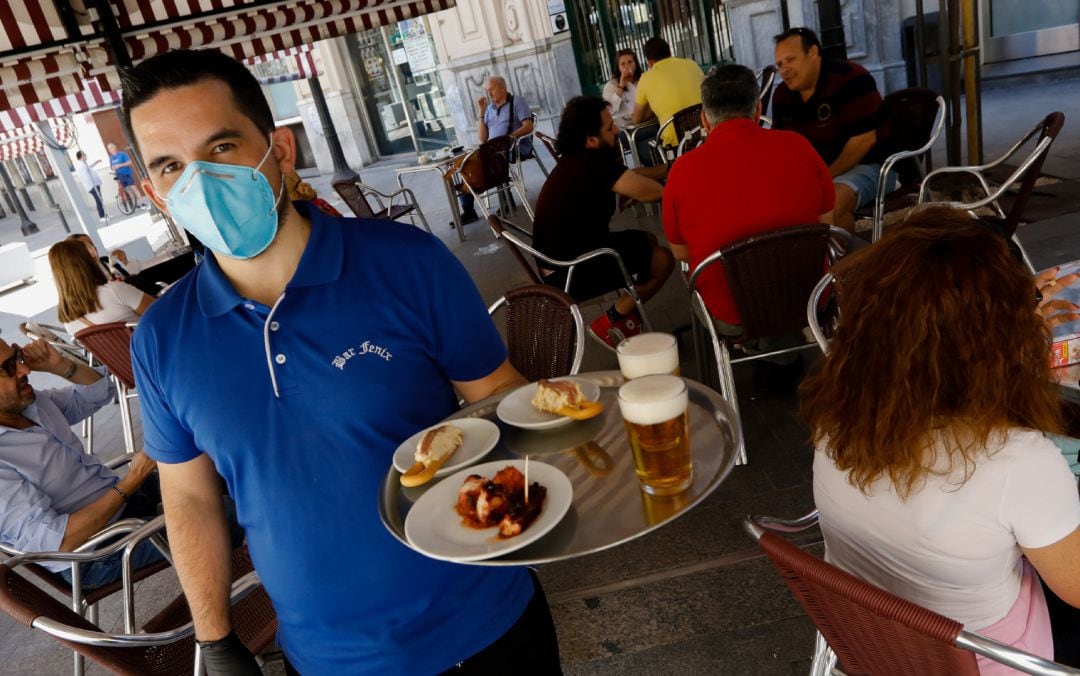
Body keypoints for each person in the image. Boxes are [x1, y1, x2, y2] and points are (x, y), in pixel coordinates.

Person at [121, 48, 561, 675]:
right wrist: (215, 640)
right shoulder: (163, 339)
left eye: (221, 148)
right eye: (170, 166)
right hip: (323, 660)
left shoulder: (408, 263)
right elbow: (188, 498)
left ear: (280, 150)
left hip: (487, 627)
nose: (200, 182)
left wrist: (568, 467)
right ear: (153, 192)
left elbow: (498, 395)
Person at [802, 206, 1080, 671]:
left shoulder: (837, 418)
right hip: (996, 662)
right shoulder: (1021, 463)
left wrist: (1007, 339)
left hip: (875, 644)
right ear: (997, 344)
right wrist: (1019, 350)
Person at [663, 64, 834, 388]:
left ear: (704, 117)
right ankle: (782, 353)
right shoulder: (800, 147)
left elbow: (680, 252)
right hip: (809, 299)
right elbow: (827, 225)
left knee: (696, 276)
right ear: (758, 109)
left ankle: (767, 353)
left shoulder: (682, 172)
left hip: (732, 316)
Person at [0, 336, 164, 589]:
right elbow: (58, 543)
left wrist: (59, 365)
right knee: (221, 513)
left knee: (211, 472)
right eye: (8, 367)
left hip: (123, 505)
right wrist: (131, 482)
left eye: (16, 357)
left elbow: (98, 393)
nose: (25, 370)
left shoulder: (29, 405)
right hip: (94, 553)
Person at [532, 95, 673, 350]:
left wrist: (667, 169)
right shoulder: (593, 165)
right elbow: (654, 192)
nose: (616, 130)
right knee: (663, 259)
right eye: (610, 128)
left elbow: (628, 176)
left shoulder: (580, 158)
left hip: (561, 259)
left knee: (648, 241)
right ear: (590, 139)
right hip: (570, 270)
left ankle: (628, 316)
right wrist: (664, 182)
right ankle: (610, 321)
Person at [771, 27, 889, 233]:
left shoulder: (851, 79)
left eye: (791, 60)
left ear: (813, 53)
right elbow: (781, 146)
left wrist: (824, 177)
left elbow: (864, 140)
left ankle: (823, 263)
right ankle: (846, 260)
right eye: (780, 64)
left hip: (869, 165)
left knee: (825, 208)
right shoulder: (782, 94)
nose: (784, 70)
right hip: (816, 175)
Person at [457, 75, 535, 224]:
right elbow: (482, 138)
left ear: (503, 88)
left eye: (492, 89)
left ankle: (506, 199)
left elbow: (528, 126)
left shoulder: (517, 101)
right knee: (465, 163)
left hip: (513, 147)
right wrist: (481, 112)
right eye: (487, 90)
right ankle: (469, 210)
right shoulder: (489, 109)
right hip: (492, 150)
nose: (489, 93)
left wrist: (509, 138)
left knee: (490, 160)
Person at [49, 239, 154, 336]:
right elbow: (162, 312)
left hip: (119, 356)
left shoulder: (69, 320)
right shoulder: (114, 291)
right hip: (156, 350)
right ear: (88, 262)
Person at [632, 37, 705, 148]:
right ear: (669, 52)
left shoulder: (646, 78)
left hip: (676, 146)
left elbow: (637, 119)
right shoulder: (692, 64)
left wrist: (653, 109)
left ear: (649, 61)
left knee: (639, 145)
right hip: (704, 135)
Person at [107, 142, 146, 209]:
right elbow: (111, 167)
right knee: (128, 190)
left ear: (115, 148)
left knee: (134, 188)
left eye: (111, 148)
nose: (110, 150)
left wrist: (120, 165)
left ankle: (142, 203)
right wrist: (113, 168)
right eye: (109, 149)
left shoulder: (122, 154)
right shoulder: (111, 158)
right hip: (120, 176)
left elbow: (129, 162)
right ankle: (136, 205)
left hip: (126, 174)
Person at [73, 151, 105, 221]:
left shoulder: (84, 164)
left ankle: (104, 215)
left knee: (100, 200)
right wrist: (93, 186)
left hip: (94, 185)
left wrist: (96, 162)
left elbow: (90, 166)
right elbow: (86, 177)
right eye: (84, 155)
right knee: (98, 200)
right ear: (81, 156)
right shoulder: (81, 166)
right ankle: (102, 216)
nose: (86, 156)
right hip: (92, 186)